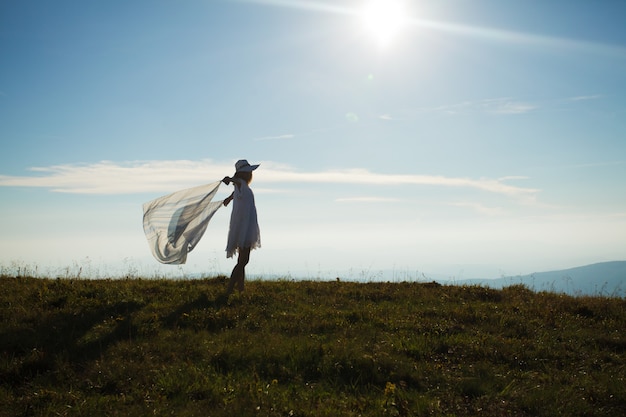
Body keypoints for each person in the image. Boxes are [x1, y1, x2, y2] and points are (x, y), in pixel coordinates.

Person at [222, 160, 261, 294]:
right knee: (244, 261)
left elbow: (236, 190)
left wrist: (229, 198)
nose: (251, 173)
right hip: (244, 226)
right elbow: (236, 182)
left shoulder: (241, 186)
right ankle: (230, 289)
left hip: (245, 225)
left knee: (242, 260)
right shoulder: (240, 183)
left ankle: (241, 289)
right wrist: (230, 179)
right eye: (249, 171)